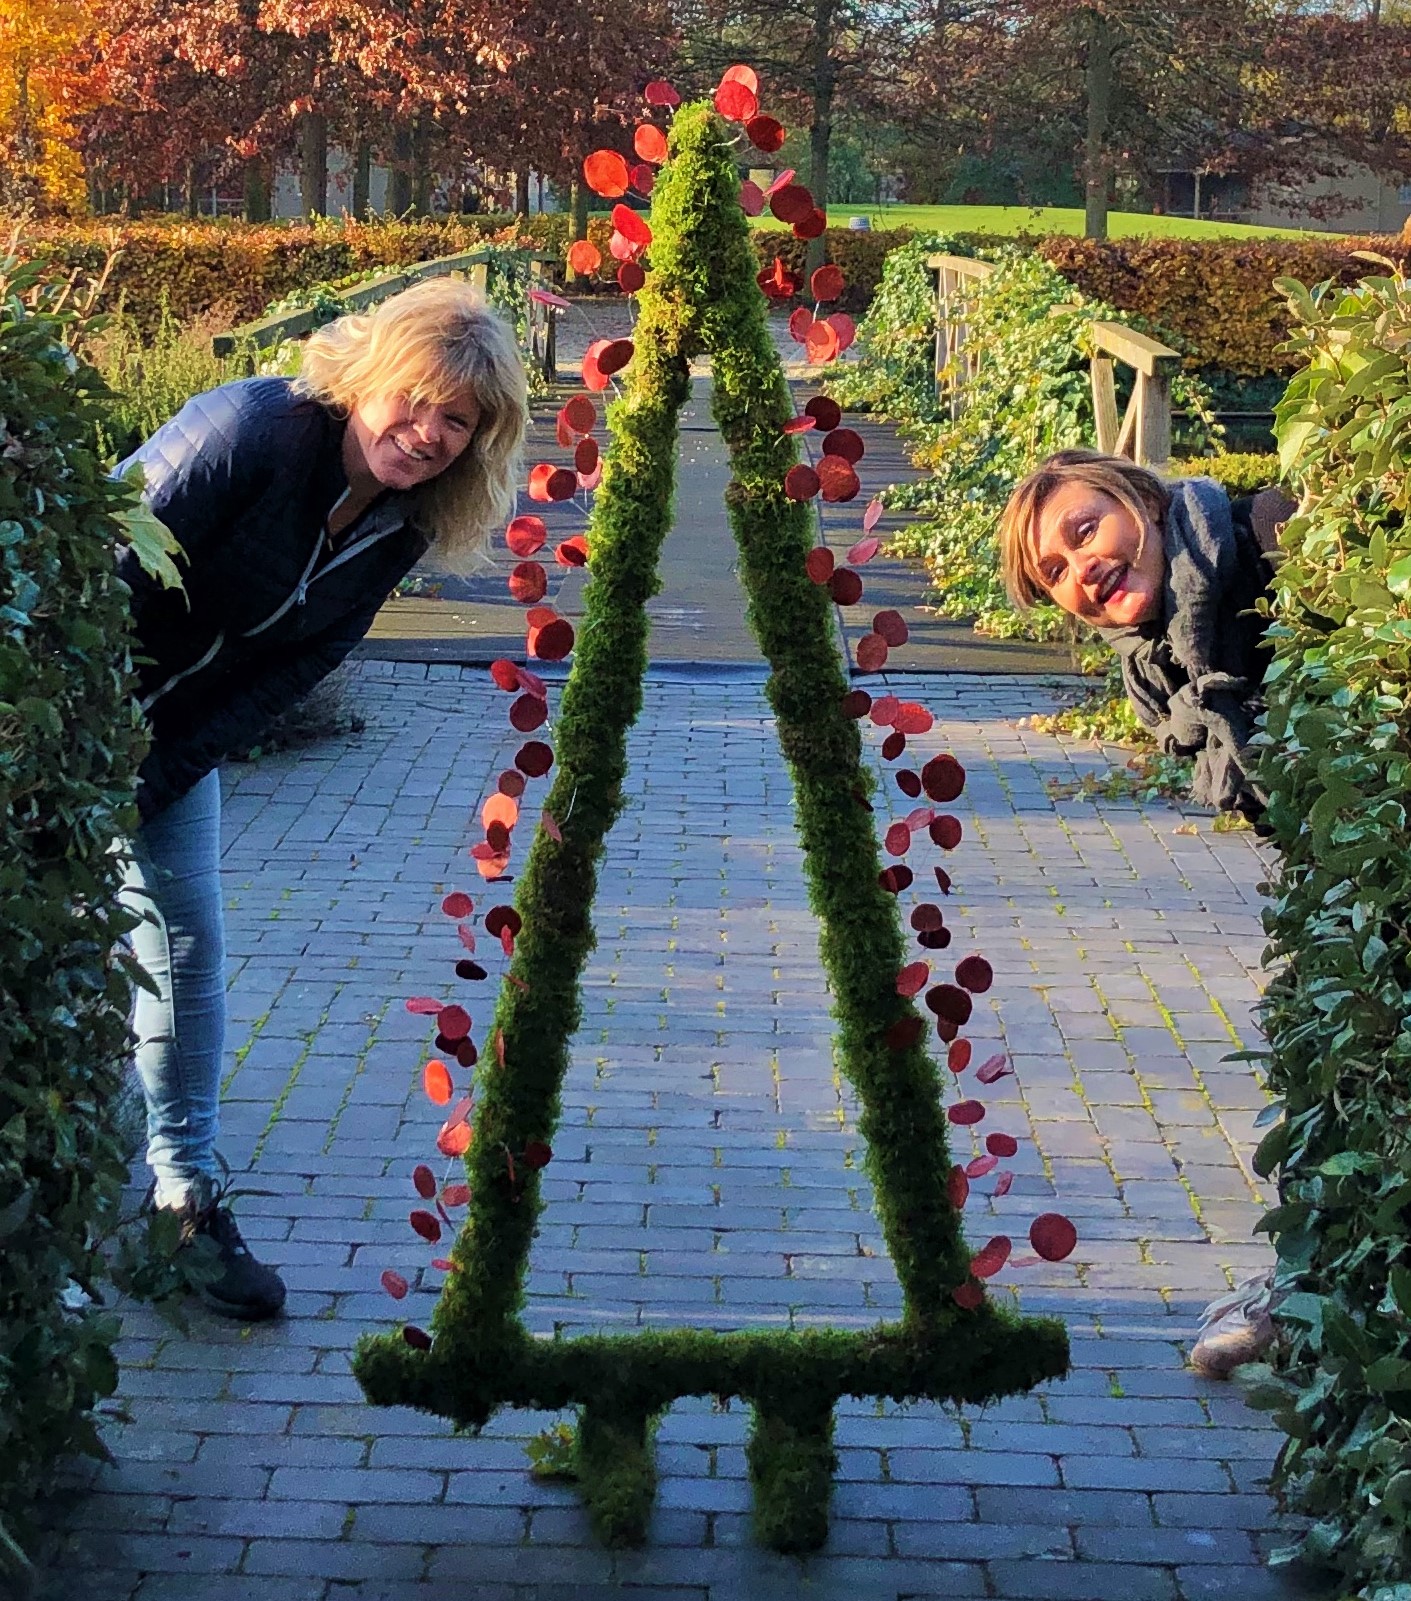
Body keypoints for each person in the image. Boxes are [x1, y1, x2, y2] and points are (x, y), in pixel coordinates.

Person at [115, 277, 528, 1320]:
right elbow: (93, 570)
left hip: (168, 744)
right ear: (371, 376)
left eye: (458, 421)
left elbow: (289, 671)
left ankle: (184, 1198)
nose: (427, 433)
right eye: (417, 400)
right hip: (60, 719)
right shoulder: (248, 431)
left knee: (189, 944)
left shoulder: (403, 527)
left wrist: (154, 776)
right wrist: (75, 766)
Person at [998, 448, 1294, 1377]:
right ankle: (1307, 1286)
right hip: (1328, 879)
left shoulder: (1272, 538)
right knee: (1308, 1033)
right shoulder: (1168, 667)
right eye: (1053, 571)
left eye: (1083, 531)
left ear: (1142, 498)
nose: (1078, 569)